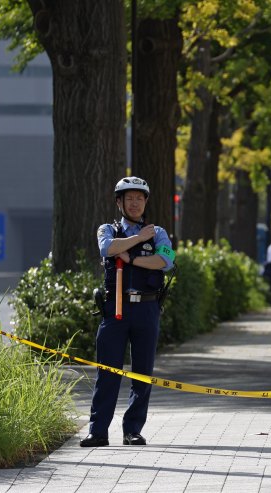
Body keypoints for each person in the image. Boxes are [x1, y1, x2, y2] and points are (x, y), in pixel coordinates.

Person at [80, 176, 175, 448]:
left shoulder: (157, 233)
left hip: (147, 307)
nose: (134, 203)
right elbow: (107, 248)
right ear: (119, 202)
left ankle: (132, 430)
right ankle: (97, 431)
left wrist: (132, 258)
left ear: (146, 202)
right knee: (107, 371)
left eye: (139, 198)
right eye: (129, 198)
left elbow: (166, 261)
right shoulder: (107, 229)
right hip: (115, 309)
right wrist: (136, 239)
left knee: (142, 372)